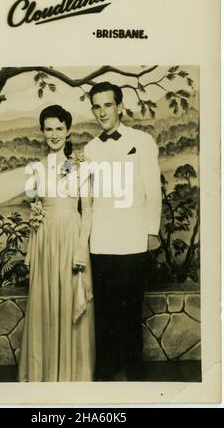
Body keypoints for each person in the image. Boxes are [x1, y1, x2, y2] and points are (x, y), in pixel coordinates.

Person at [84, 82, 162, 381]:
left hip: (133, 240)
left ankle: (134, 369)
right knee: (104, 311)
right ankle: (106, 368)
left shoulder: (142, 140)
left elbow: (153, 190)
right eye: (96, 106)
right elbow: (87, 198)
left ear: (119, 106)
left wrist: (151, 232)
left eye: (107, 105)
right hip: (101, 241)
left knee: (130, 309)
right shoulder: (90, 149)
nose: (102, 112)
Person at [18, 105, 95, 382]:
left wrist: (81, 248)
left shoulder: (79, 166)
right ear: (42, 132)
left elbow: (87, 211)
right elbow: (36, 211)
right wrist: (31, 253)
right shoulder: (36, 169)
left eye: (59, 128)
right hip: (45, 243)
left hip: (70, 238)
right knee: (45, 306)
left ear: (68, 130)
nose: (54, 134)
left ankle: (72, 375)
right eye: (48, 128)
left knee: (68, 301)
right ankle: (46, 373)